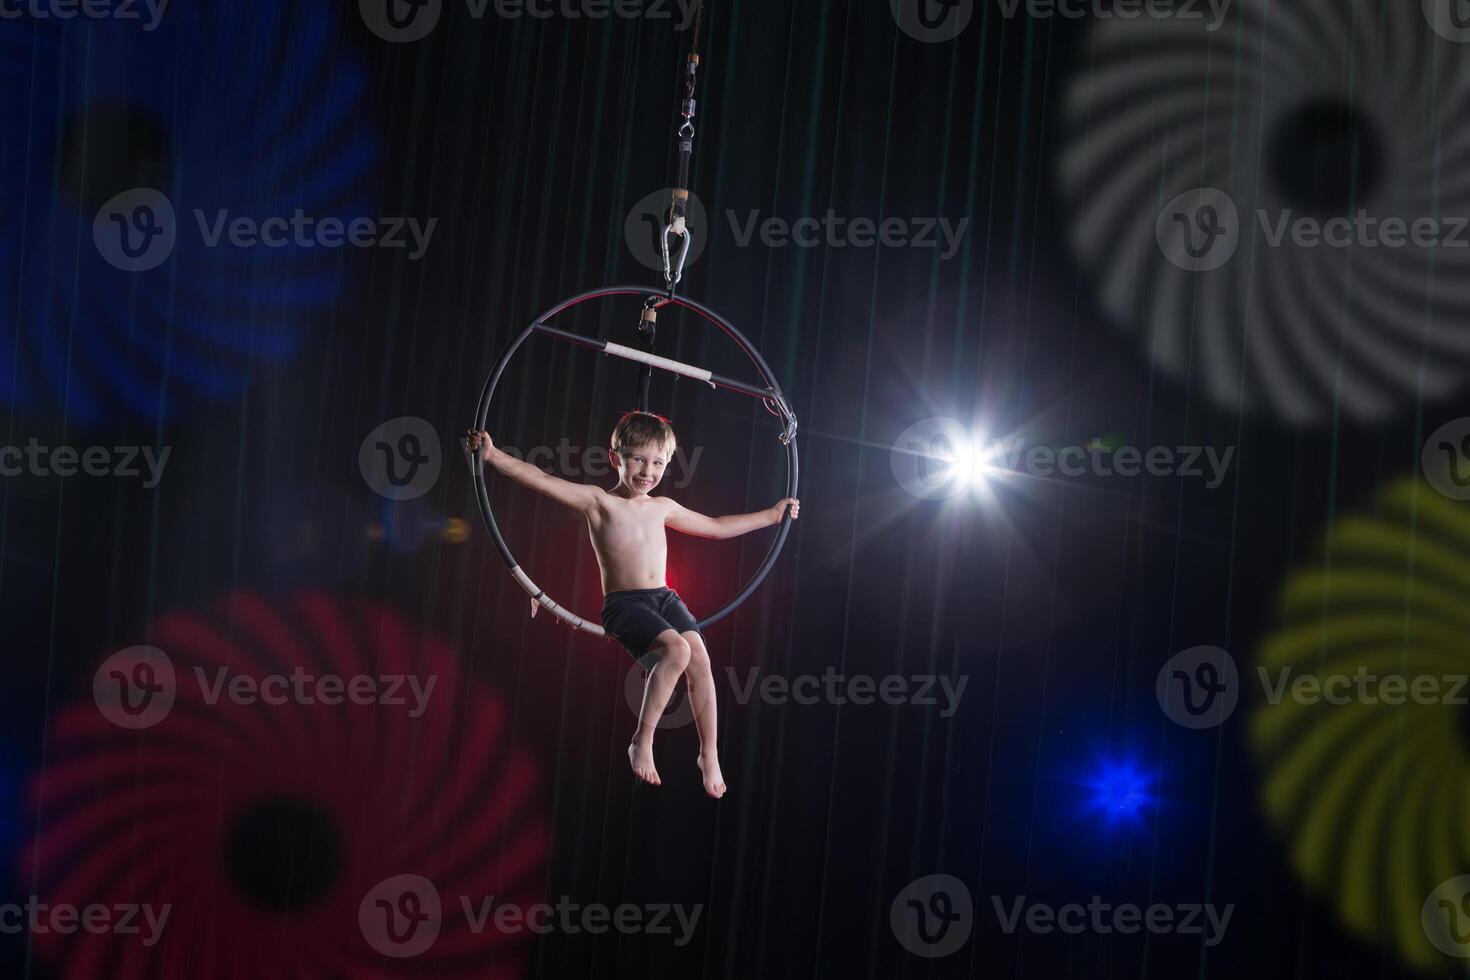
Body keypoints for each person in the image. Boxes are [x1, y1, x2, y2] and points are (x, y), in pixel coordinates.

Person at [466, 412, 798, 798]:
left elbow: (718, 526)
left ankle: (709, 753)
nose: (647, 471)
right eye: (637, 459)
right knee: (676, 649)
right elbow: (541, 480)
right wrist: (492, 456)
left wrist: (771, 516)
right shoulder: (598, 501)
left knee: (701, 660)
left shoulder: (663, 507)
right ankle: (642, 740)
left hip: (664, 597)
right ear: (615, 459)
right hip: (624, 604)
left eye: (657, 463)